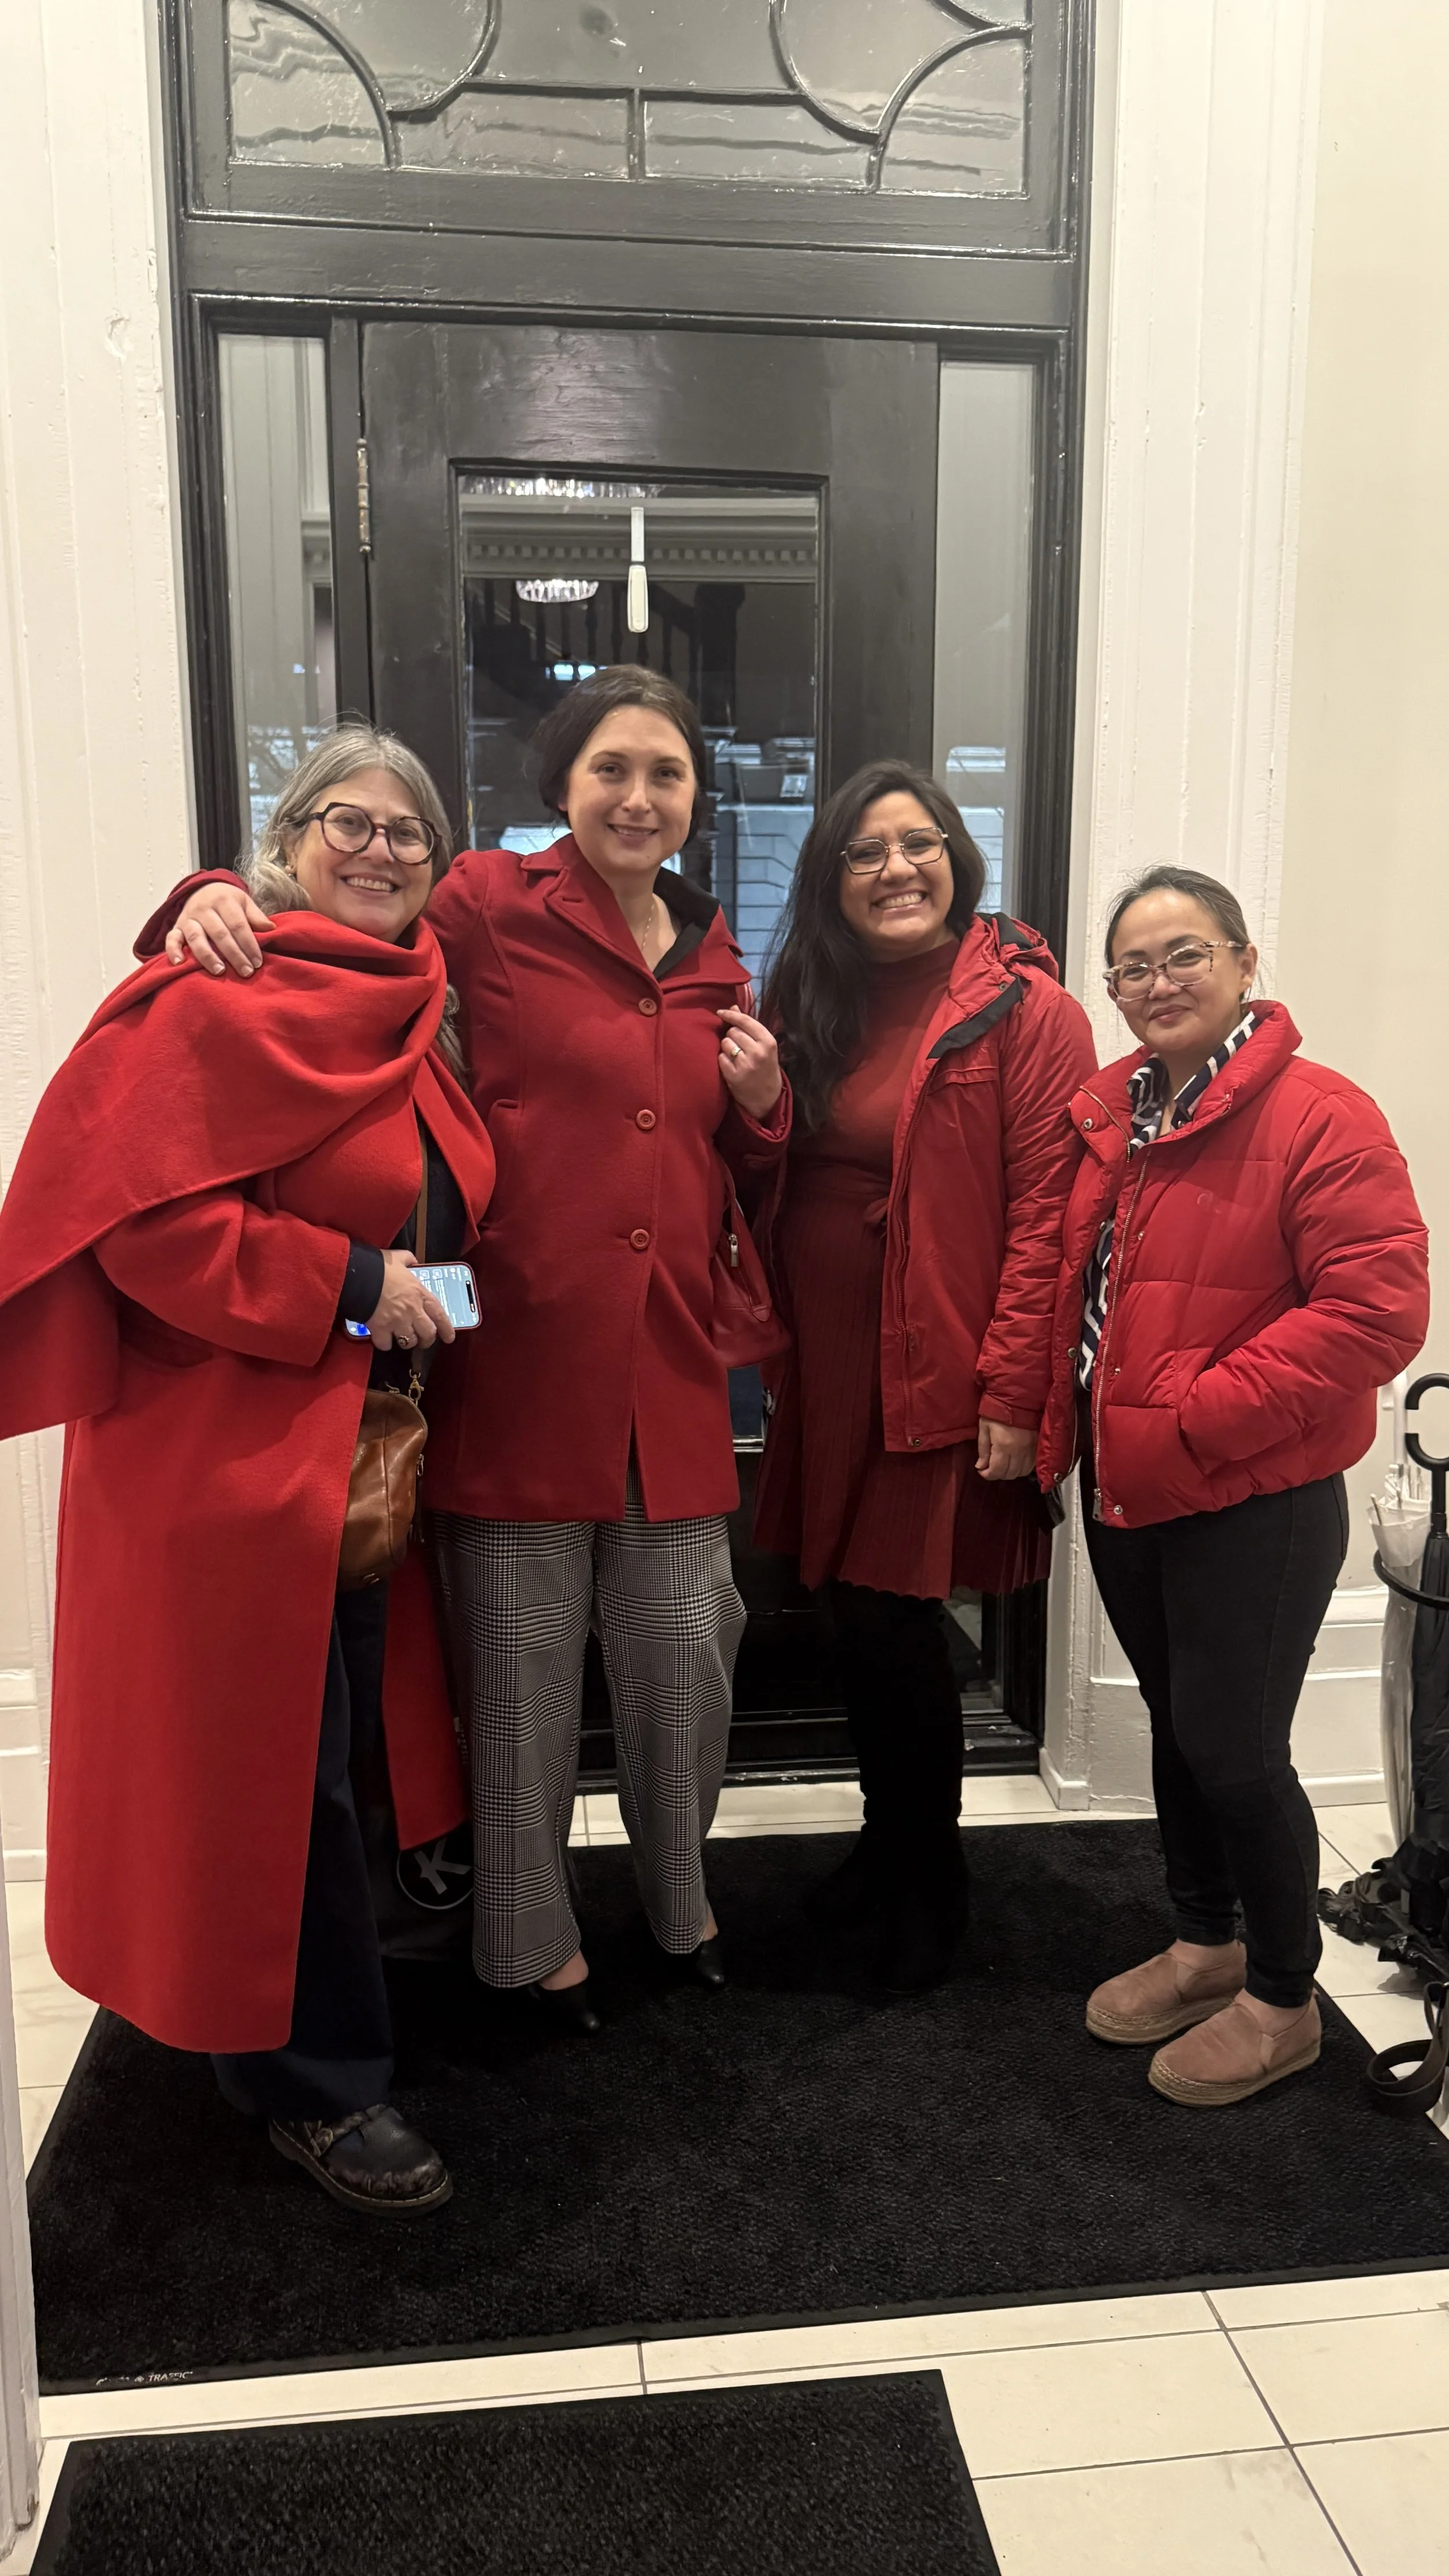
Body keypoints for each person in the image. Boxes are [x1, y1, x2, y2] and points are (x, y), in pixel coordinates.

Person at [148, 668, 789, 2029]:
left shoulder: (714, 949)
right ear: (561, 785)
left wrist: (764, 1108)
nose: (637, 796)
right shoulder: (487, 903)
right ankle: (527, 1947)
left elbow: (714, 1161)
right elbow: (344, 916)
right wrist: (209, 891)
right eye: (610, 768)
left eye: (665, 772)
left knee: (686, 1668)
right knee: (516, 1687)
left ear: (694, 795)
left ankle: (681, 1908)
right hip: (513, 1362)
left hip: (671, 1375)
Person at [0, 727, 496, 2213]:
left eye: (409, 831)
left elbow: (431, 1223)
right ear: (284, 842)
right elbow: (138, 1226)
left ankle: (304, 2010)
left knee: (332, 1766)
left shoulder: (418, 1008)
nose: (380, 848)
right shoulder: (211, 990)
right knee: (274, 1785)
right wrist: (351, 1285)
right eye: (348, 820)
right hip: (219, 1469)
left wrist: (428, 1297)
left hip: (351, 1458)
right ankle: (313, 2088)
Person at [1037, 865, 1429, 2105]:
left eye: (1184, 955)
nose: (1157, 983)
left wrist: (1196, 1417)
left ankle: (1282, 1998)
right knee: (1179, 1729)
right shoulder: (1117, 1114)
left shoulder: (1323, 1115)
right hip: (1129, 1486)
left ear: (1244, 961)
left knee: (1237, 1750)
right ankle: (1203, 1943)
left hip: (1253, 1497)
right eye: (1132, 966)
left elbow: (1375, 1313)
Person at [755, 762, 1097, 1991]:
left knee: (898, 1621)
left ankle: (928, 1881)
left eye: (919, 843)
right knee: (847, 1614)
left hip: (938, 1354)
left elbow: (1049, 1217)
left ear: (957, 855)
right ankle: (883, 1842)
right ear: (831, 878)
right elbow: (768, 1162)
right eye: (865, 851)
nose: (896, 868)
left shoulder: (1028, 1012)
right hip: (828, 1356)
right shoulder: (809, 992)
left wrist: (1013, 1391)